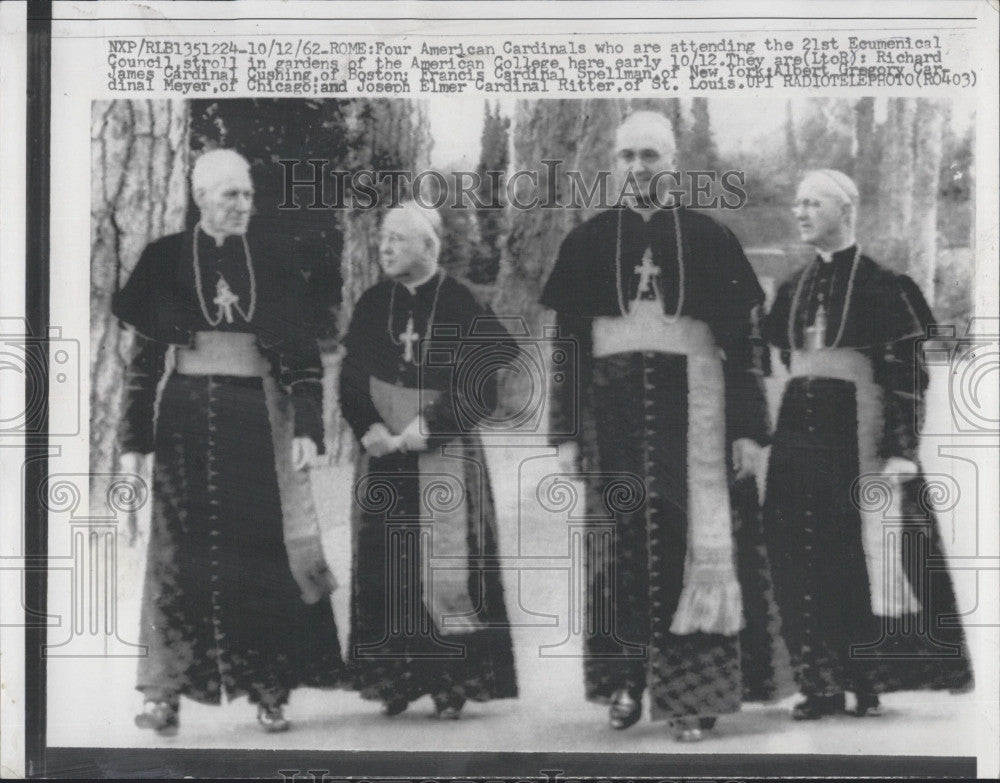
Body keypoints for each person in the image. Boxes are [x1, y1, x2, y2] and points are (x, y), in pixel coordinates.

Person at [539, 111, 784, 740]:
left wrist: (750, 429)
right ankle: (623, 684)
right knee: (616, 551)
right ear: (612, 165)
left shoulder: (709, 236)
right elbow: (566, 346)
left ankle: (691, 698)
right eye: (627, 156)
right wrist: (564, 433)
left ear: (671, 164)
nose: (638, 167)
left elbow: (743, 342)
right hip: (611, 418)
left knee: (688, 549)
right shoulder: (587, 241)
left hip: (693, 416)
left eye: (650, 155)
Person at [114, 148, 344, 736]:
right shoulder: (165, 258)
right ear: (201, 199)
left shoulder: (273, 258)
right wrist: (133, 444)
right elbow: (143, 363)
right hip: (184, 419)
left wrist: (310, 430)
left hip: (254, 417)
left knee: (263, 556)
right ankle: (163, 694)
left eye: (247, 195)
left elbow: (300, 358)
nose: (243, 205)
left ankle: (270, 691)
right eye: (229, 195)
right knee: (172, 559)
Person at [761, 169, 973, 720]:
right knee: (798, 553)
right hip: (798, 433)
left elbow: (906, 375)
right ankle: (819, 683)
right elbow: (779, 364)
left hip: (858, 432)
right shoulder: (791, 287)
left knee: (854, 556)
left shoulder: (884, 285)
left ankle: (866, 680)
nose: (801, 212)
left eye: (813, 204)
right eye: (798, 203)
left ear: (845, 211)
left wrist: (902, 449)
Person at [339, 201, 518, 720]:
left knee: (448, 560)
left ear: (429, 247)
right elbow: (351, 377)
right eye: (382, 241)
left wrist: (433, 425)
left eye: (397, 239)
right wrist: (366, 425)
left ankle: (451, 683)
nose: (386, 249)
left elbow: (483, 387)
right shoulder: (374, 302)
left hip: (447, 450)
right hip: (384, 457)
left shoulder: (461, 299)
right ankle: (391, 679)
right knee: (386, 561)